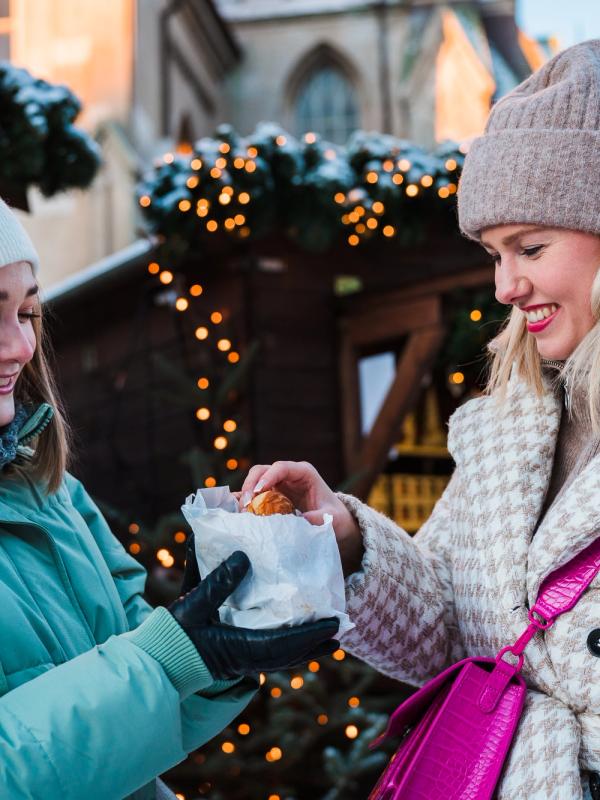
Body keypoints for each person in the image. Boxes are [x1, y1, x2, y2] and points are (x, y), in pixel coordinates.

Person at [240, 40, 600, 800]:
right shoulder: (507, 427)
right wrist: (344, 538)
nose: (506, 285)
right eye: (494, 255)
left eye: (530, 246)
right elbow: (444, 625)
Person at [0, 206, 339, 800]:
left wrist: (210, 645)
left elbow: (143, 729)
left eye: (26, 312)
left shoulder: (56, 497)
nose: (21, 346)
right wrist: (166, 656)